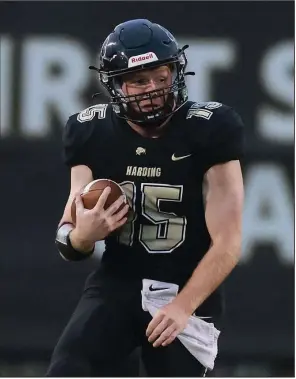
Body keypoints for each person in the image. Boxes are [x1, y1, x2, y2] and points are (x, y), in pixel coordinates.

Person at [47, 19, 245, 377]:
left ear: (176, 73)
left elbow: (228, 242)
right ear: (116, 84)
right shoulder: (90, 130)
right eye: (139, 80)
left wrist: (183, 306)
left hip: (188, 287)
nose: (152, 88)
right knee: (68, 368)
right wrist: (83, 236)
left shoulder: (210, 128)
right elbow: (67, 237)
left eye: (161, 75)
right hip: (118, 283)